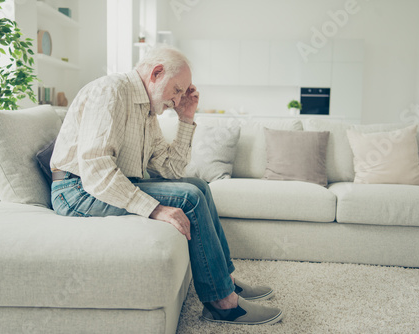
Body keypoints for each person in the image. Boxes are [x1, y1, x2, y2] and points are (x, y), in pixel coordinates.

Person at [50, 44, 283, 325]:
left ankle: (226, 280)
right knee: (189, 197)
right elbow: (96, 170)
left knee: (199, 185)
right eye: (177, 90)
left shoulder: (147, 112)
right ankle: (223, 304)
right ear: (156, 73)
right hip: (77, 191)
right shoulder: (111, 91)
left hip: (101, 185)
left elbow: (171, 170)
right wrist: (155, 209)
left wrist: (186, 118)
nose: (177, 99)